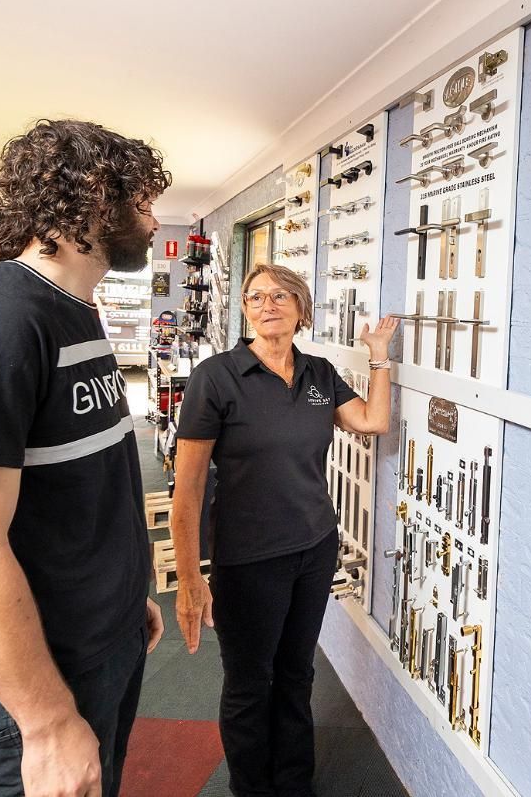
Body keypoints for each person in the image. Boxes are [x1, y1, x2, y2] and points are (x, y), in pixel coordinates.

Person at [0, 119, 170, 797]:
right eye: (141, 201)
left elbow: (81, 481)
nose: (153, 217)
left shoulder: (74, 309)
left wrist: (121, 591)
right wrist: (48, 721)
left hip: (93, 639)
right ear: (90, 197)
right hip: (22, 682)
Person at [170, 263, 398, 797]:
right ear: (245, 309)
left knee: (296, 674)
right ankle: (252, 788)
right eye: (255, 297)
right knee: (250, 685)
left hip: (314, 549)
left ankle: (294, 783)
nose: (266, 304)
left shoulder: (318, 374)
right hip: (248, 558)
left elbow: (372, 421)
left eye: (279, 295)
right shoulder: (217, 377)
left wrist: (379, 357)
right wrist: (188, 577)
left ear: (300, 307)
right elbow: (189, 488)